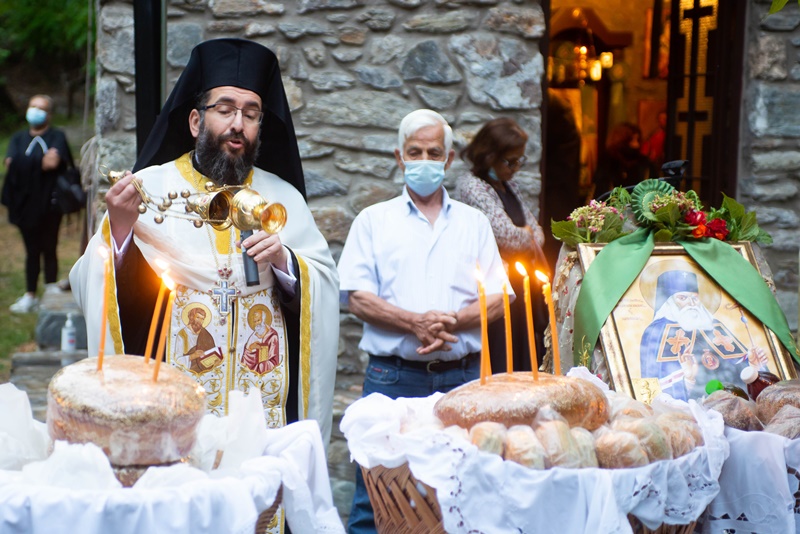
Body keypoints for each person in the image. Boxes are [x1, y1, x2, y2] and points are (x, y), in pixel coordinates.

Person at [70, 40, 340, 447]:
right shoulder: (151, 189)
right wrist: (122, 233)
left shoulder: (284, 199)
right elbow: (98, 282)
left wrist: (286, 263)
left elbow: (322, 286)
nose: (238, 124)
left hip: (260, 411)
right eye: (226, 109)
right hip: (174, 407)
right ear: (196, 122)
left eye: (251, 114)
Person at [337, 109, 510, 534]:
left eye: (434, 152)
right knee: (375, 499)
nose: (425, 160)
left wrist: (447, 320)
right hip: (393, 379)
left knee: (466, 493)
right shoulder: (373, 221)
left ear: (449, 160)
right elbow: (357, 297)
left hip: (464, 379)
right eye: (415, 152)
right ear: (399, 157)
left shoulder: (474, 223)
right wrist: (414, 322)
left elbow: (499, 298)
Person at [456, 117, 548, 372]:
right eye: (510, 161)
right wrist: (525, 235)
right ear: (489, 156)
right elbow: (508, 236)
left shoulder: (508, 185)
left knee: (522, 357)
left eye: (520, 160)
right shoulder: (472, 187)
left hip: (519, 287)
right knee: (500, 358)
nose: (516, 167)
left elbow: (537, 233)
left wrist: (526, 235)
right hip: (496, 290)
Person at [639, 270, 767, 401]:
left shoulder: (713, 325)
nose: (691, 303)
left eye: (694, 298)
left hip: (734, 403)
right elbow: (649, 391)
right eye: (683, 298)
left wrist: (753, 365)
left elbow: (736, 368)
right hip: (688, 412)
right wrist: (688, 380)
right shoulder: (656, 331)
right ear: (668, 302)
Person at [2, 94, 73, 313]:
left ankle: (50, 292)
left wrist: (23, 164)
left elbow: (53, 162)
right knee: (31, 250)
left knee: (49, 246)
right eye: (32, 106)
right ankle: (30, 294)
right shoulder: (18, 138)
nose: (35, 111)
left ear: (49, 114)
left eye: (40, 108)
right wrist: (38, 162)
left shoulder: (57, 136)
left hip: (50, 203)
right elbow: (9, 163)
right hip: (24, 204)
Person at [541, 89, 583, 270]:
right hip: (560, 192)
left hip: (555, 194)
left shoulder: (557, 114)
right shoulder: (561, 112)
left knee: (554, 248)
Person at [593, 122, 651, 196]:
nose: (636, 145)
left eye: (637, 140)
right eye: (632, 140)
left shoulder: (643, 163)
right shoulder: (608, 162)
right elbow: (600, 190)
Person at [175, 304, 222, 374]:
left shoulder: (206, 334)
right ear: (191, 317)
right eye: (198, 317)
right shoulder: (182, 335)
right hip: (188, 374)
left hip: (206, 373)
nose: (200, 321)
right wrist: (192, 356)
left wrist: (216, 361)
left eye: (202, 319)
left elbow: (213, 354)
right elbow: (176, 360)